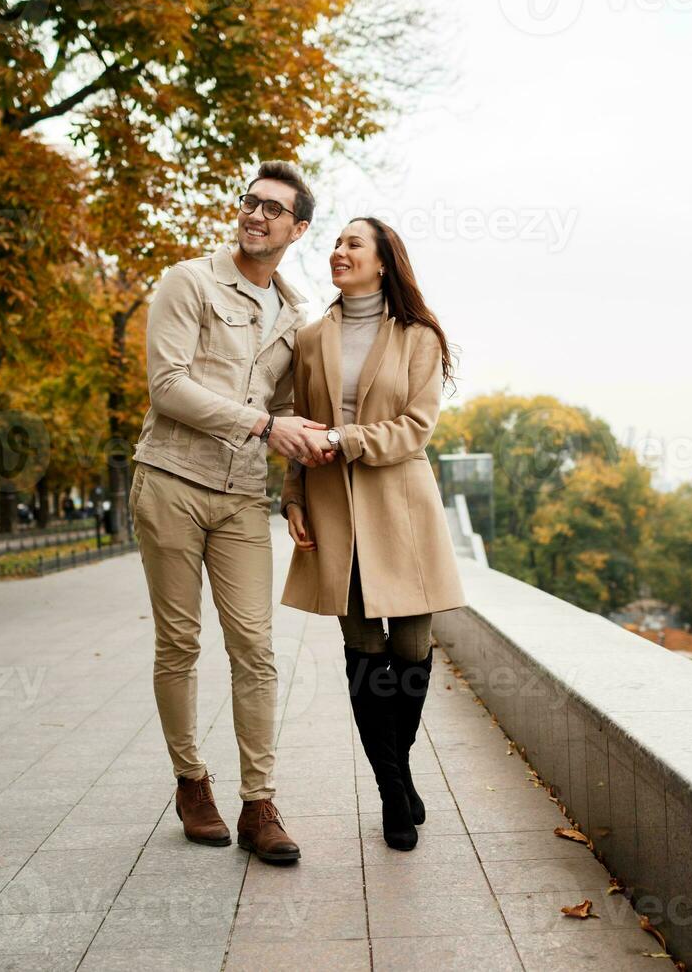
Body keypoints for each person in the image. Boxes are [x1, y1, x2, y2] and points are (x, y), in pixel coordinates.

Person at [130, 161, 334, 864]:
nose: (256, 215)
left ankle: (259, 802)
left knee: (255, 646)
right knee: (179, 643)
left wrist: (297, 479)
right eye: (250, 202)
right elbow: (167, 387)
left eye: (274, 209)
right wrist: (265, 426)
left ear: (297, 229)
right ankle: (192, 783)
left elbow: (281, 412)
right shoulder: (189, 281)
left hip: (242, 495)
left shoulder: (297, 316)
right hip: (170, 480)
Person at [280, 217, 465, 852]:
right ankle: (393, 792)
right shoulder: (310, 339)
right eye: (335, 243)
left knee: (411, 650)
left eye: (353, 243)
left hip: (402, 506)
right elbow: (297, 427)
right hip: (333, 509)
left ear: (384, 261)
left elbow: (416, 426)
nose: (339, 252)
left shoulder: (419, 338)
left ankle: (398, 770)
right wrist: (293, 496)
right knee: (364, 652)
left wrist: (345, 439)